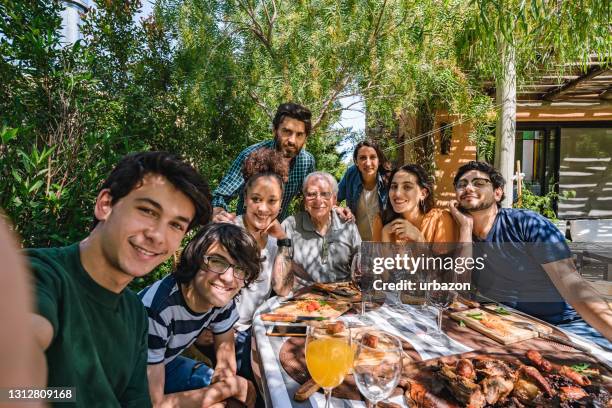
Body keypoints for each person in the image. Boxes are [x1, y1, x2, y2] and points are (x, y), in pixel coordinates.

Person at [27, 151, 212, 407]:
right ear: (106, 204)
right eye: (148, 211)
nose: (158, 236)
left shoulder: (134, 311)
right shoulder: (39, 274)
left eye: (176, 225)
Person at [449, 160, 612, 349]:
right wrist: (465, 228)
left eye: (478, 183)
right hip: (507, 327)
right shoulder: (461, 234)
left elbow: (573, 285)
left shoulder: (527, 224)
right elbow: (459, 291)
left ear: (497, 192)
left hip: (562, 326)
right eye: (462, 184)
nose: (468, 187)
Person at [139, 223, 260, 408]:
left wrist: (229, 387)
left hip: (165, 363)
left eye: (240, 269)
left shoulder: (220, 298)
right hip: (115, 382)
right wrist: (229, 389)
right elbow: (152, 404)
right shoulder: (157, 311)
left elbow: (225, 365)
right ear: (195, 259)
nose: (228, 278)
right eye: (217, 261)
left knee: (243, 394)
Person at [212, 102, 352, 222]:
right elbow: (221, 196)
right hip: (246, 232)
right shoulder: (251, 155)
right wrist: (219, 214)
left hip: (277, 234)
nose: (292, 140)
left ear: (306, 137)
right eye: (287, 132)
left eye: (299, 135)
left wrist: (333, 209)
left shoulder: (306, 162)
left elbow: (311, 197)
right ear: (275, 130)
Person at [232, 149, 294, 382]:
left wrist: (284, 242)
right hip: (231, 334)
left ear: (280, 203)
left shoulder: (277, 238)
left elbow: (283, 289)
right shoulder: (230, 234)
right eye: (256, 199)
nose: (263, 209)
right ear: (246, 198)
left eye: (272, 201)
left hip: (260, 328)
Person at [282, 171, 361, 287]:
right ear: (304, 200)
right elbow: (281, 271)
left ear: (334, 199)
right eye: (311, 194)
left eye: (325, 194)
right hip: (302, 298)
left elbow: (360, 264)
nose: (318, 200)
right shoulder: (290, 226)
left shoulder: (347, 225)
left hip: (342, 296)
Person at [375, 164, 461, 245]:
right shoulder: (382, 221)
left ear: (423, 194)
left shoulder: (440, 219)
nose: (397, 193)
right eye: (394, 186)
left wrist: (419, 238)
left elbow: (444, 261)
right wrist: (385, 235)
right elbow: (376, 260)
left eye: (407, 187)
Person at [337, 140, 390, 240]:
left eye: (373, 157)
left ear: (379, 161)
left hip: (383, 242)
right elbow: (333, 200)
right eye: (362, 158)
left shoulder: (389, 180)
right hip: (358, 241)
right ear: (356, 162)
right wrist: (338, 209)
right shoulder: (351, 175)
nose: (368, 163)